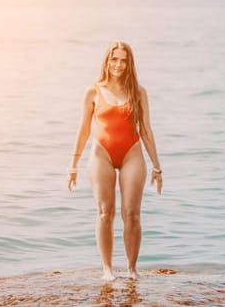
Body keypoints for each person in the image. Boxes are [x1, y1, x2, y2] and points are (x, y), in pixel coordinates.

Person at [67, 41, 163, 281]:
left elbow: (146, 130)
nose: (118, 65)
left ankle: (131, 270)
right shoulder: (93, 91)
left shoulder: (138, 92)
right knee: (104, 212)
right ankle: (107, 270)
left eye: (123, 60)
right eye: (114, 59)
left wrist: (157, 166)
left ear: (129, 64)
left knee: (132, 213)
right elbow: (83, 130)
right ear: (107, 61)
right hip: (102, 154)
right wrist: (73, 164)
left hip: (132, 153)